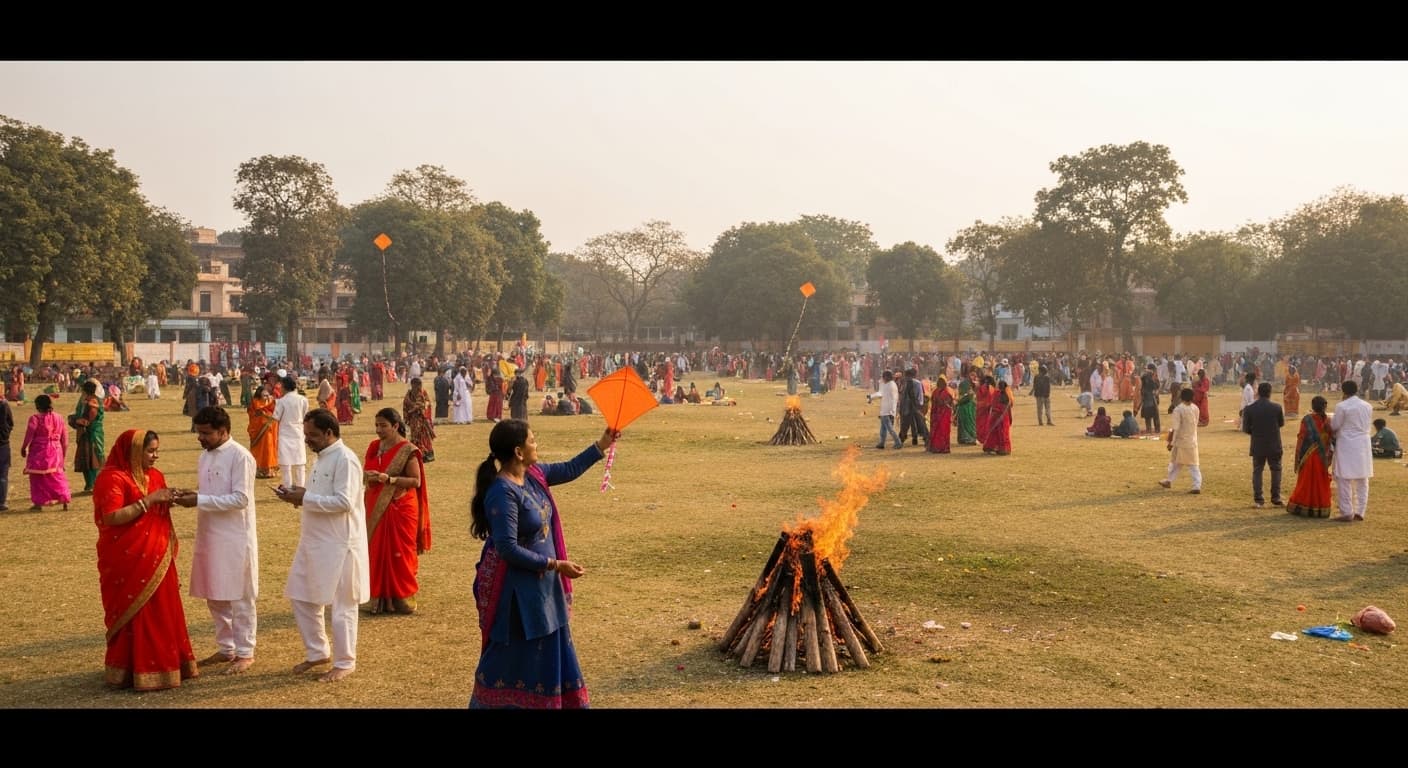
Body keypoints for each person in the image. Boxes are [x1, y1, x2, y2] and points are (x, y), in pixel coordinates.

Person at [468, 420, 619, 708]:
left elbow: (570, 468)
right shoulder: (503, 492)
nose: (537, 444)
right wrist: (555, 564)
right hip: (517, 593)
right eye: (532, 440)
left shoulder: (534, 474)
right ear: (518, 451)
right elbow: (507, 548)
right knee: (511, 654)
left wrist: (602, 443)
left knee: (551, 645)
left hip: (544, 588)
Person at [94, 428, 197, 690]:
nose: (155, 456)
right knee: (135, 614)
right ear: (133, 451)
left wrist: (175, 498)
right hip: (126, 560)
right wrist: (149, 501)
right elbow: (112, 517)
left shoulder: (156, 476)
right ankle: (129, 669)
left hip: (158, 559)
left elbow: (159, 506)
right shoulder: (112, 478)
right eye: (150, 451)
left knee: (162, 612)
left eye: (156, 451)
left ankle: (167, 665)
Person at [272, 409, 370, 683]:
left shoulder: (346, 459)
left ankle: (345, 662)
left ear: (329, 433)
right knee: (301, 595)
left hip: (340, 544)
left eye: (312, 435)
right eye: (306, 435)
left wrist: (306, 498)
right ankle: (318, 652)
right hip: (314, 540)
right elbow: (316, 497)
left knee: (342, 606)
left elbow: (344, 502)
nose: (307, 441)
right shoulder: (321, 458)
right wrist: (295, 497)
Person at [173, 407, 259, 675]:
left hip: (235, 537)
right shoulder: (205, 456)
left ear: (224, 431)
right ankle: (227, 647)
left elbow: (240, 499)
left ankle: (246, 652)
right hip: (210, 534)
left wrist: (199, 500)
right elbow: (213, 493)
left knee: (240, 596)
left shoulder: (240, 456)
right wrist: (195, 494)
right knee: (215, 594)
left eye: (206, 433)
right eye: (199, 432)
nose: (201, 438)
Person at [362, 407, 431, 615]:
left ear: (396, 426)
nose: (379, 430)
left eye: (383, 425)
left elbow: (416, 481)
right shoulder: (374, 446)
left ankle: (402, 598)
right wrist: (369, 476)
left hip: (400, 506)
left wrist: (389, 479)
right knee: (375, 550)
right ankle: (376, 598)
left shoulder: (407, 450)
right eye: (376, 425)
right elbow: (366, 470)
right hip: (375, 503)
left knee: (399, 553)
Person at [1329, 381, 1373, 522]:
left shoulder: (1342, 406)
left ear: (1343, 391)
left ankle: (1347, 511)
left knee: (1344, 478)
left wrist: (1329, 419)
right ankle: (1360, 511)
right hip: (1363, 443)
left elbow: (1335, 425)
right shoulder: (1367, 406)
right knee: (1362, 478)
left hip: (1347, 443)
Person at [20, 395, 71, 512]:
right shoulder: (59, 418)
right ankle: (64, 499)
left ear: (37, 406)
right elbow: (65, 440)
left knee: (37, 477)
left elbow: (29, 435)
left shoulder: (35, 419)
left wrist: (23, 448)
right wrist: (63, 454)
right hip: (56, 451)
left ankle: (39, 503)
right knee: (57, 476)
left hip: (39, 452)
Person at [1287, 396, 1334, 518]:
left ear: (1312, 406)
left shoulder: (1307, 419)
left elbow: (1302, 438)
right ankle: (1321, 507)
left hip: (1308, 456)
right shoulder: (1328, 421)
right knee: (1320, 481)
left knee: (1306, 482)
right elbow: (1330, 439)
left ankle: (1302, 505)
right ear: (1325, 406)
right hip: (1322, 456)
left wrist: (1298, 457)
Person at [1242, 381, 1285, 508]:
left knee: (1257, 471)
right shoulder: (1277, 408)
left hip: (1258, 443)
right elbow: (1280, 424)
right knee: (1276, 469)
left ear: (1258, 392)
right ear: (1270, 393)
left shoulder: (1249, 409)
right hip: (1274, 443)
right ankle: (1276, 497)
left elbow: (1246, 429)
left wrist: (1255, 433)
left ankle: (1258, 499)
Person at [1159, 387, 1202, 494]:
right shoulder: (1195, 408)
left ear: (1181, 397)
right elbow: (1195, 424)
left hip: (1180, 441)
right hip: (1192, 440)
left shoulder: (1178, 409)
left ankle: (1170, 481)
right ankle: (1196, 485)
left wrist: (1171, 443)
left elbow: (1176, 428)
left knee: (1176, 463)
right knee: (1192, 464)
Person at [273, 375, 310, 489]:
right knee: (300, 464)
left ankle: (287, 487)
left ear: (284, 387)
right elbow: (305, 416)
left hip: (285, 433)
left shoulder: (281, 401)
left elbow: (276, 417)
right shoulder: (303, 400)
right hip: (299, 432)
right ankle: (300, 487)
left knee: (286, 464)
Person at [72, 380, 105, 494]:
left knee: (92, 459)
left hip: (92, 434)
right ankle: (90, 484)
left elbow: (88, 421)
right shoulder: (87, 401)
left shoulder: (92, 403)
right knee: (86, 459)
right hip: (88, 433)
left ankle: (93, 484)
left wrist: (75, 420)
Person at [247, 383, 279, 479]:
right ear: (259, 394)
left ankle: (269, 469)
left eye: (267, 395)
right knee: (260, 451)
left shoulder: (270, 401)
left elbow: (274, 412)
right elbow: (254, 414)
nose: (266, 397)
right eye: (264, 395)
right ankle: (259, 470)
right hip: (259, 431)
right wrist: (264, 415)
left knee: (269, 449)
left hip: (269, 430)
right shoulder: (255, 402)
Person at [403, 377, 436, 462]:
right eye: (416, 385)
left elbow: (427, 404)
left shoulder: (423, 393)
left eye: (419, 385)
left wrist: (418, 408)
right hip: (413, 420)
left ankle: (426, 455)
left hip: (422, 420)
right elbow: (405, 406)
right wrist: (410, 413)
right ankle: (418, 455)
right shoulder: (408, 395)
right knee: (415, 436)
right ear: (412, 385)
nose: (418, 387)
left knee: (424, 437)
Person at [869, 370, 902, 450]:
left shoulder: (887, 385)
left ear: (886, 377)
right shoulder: (892, 384)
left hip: (886, 410)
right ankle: (882, 443)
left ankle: (898, 442)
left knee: (889, 428)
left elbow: (880, 394)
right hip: (890, 409)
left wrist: (870, 397)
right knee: (883, 428)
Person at [982, 379, 1013, 455]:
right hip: (1001, 417)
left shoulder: (1001, 394)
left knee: (1001, 433)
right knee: (1000, 433)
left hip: (999, 417)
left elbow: (993, 404)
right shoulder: (1004, 394)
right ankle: (999, 448)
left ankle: (1001, 449)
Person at [927, 375, 954, 453]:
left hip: (943, 415)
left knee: (942, 431)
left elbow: (950, 403)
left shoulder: (945, 392)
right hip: (939, 415)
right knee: (939, 431)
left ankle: (941, 447)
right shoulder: (939, 392)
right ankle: (939, 447)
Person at [1139, 364, 1161, 435]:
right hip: (1151, 397)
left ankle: (1149, 429)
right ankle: (1156, 429)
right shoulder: (1149, 376)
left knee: (1148, 415)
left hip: (1147, 397)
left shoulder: (1146, 376)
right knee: (1154, 414)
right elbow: (1156, 386)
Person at [955, 375, 977, 445]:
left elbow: (963, 400)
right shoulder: (968, 393)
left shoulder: (969, 394)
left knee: (967, 424)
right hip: (965, 410)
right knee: (964, 424)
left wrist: (958, 402)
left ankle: (968, 438)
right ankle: (965, 438)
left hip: (967, 410)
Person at [0, 396, 11, 511]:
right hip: (2, 443)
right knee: (2, 475)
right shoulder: (3, 404)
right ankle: (1, 502)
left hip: (3, 442)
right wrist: (5, 434)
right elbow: (10, 422)